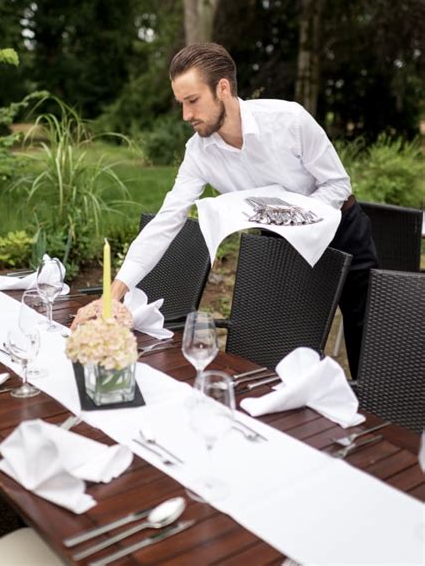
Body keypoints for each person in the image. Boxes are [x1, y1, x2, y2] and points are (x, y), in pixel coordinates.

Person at [74, 42, 377, 379]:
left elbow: (338, 185)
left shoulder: (289, 120)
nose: (186, 116)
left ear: (223, 88)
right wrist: (115, 293)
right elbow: (167, 220)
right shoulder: (199, 152)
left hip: (342, 231)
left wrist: (296, 215)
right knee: (281, 345)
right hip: (279, 240)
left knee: (365, 343)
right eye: (181, 104)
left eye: (193, 101)